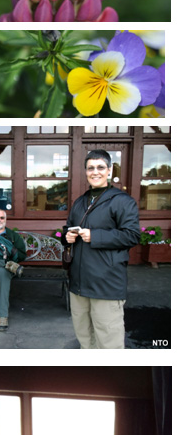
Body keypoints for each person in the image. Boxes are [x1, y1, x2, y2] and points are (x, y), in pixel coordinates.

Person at [62, 150, 140, 350]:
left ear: (109, 170)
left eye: (100, 167)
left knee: (108, 344)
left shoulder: (123, 201)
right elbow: (68, 228)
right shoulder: (80, 202)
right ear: (85, 172)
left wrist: (95, 236)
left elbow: (132, 235)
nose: (95, 172)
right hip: (78, 283)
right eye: (90, 168)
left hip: (106, 284)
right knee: (84, 339)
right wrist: (67, 236)